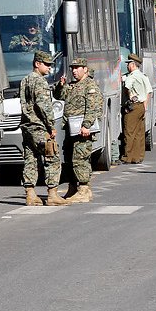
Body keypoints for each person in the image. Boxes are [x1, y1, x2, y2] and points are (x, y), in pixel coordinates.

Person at [19, 50, 69, 206]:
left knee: (30, 159)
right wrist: (51, 125)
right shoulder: (39, 81)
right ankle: (53, 194)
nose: (49, 68)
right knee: (52, 158)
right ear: (37, 64)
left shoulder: (25, 80)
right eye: (46, 65)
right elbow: (44, 106)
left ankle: (30, 194)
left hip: (27, 126)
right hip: (40, 127)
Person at [54, 57, 103, 203]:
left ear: (85, 69)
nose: (74, 71)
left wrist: (86, 125)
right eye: (72, 68)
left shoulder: (90, 86)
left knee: (80, 159)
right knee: (69, 159)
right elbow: (59, 96)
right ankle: (72, 187)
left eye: (77, 68)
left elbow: (93, 108)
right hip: (71, 130)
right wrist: (60, 86)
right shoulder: (72, 85)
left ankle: (84, 190)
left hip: (82, 130)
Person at [119, 53, 153, 164]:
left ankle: (128, 157)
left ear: (133, 65)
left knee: (129, 132)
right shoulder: (143, 76)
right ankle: (138, 157)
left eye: (129, 64)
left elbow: (127, 87)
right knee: (139, 133)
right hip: (141, 106)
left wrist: (129, 97)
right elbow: (149, 92)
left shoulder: (132, 76)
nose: (127, 66)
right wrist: (145, 106)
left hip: (133, 106)